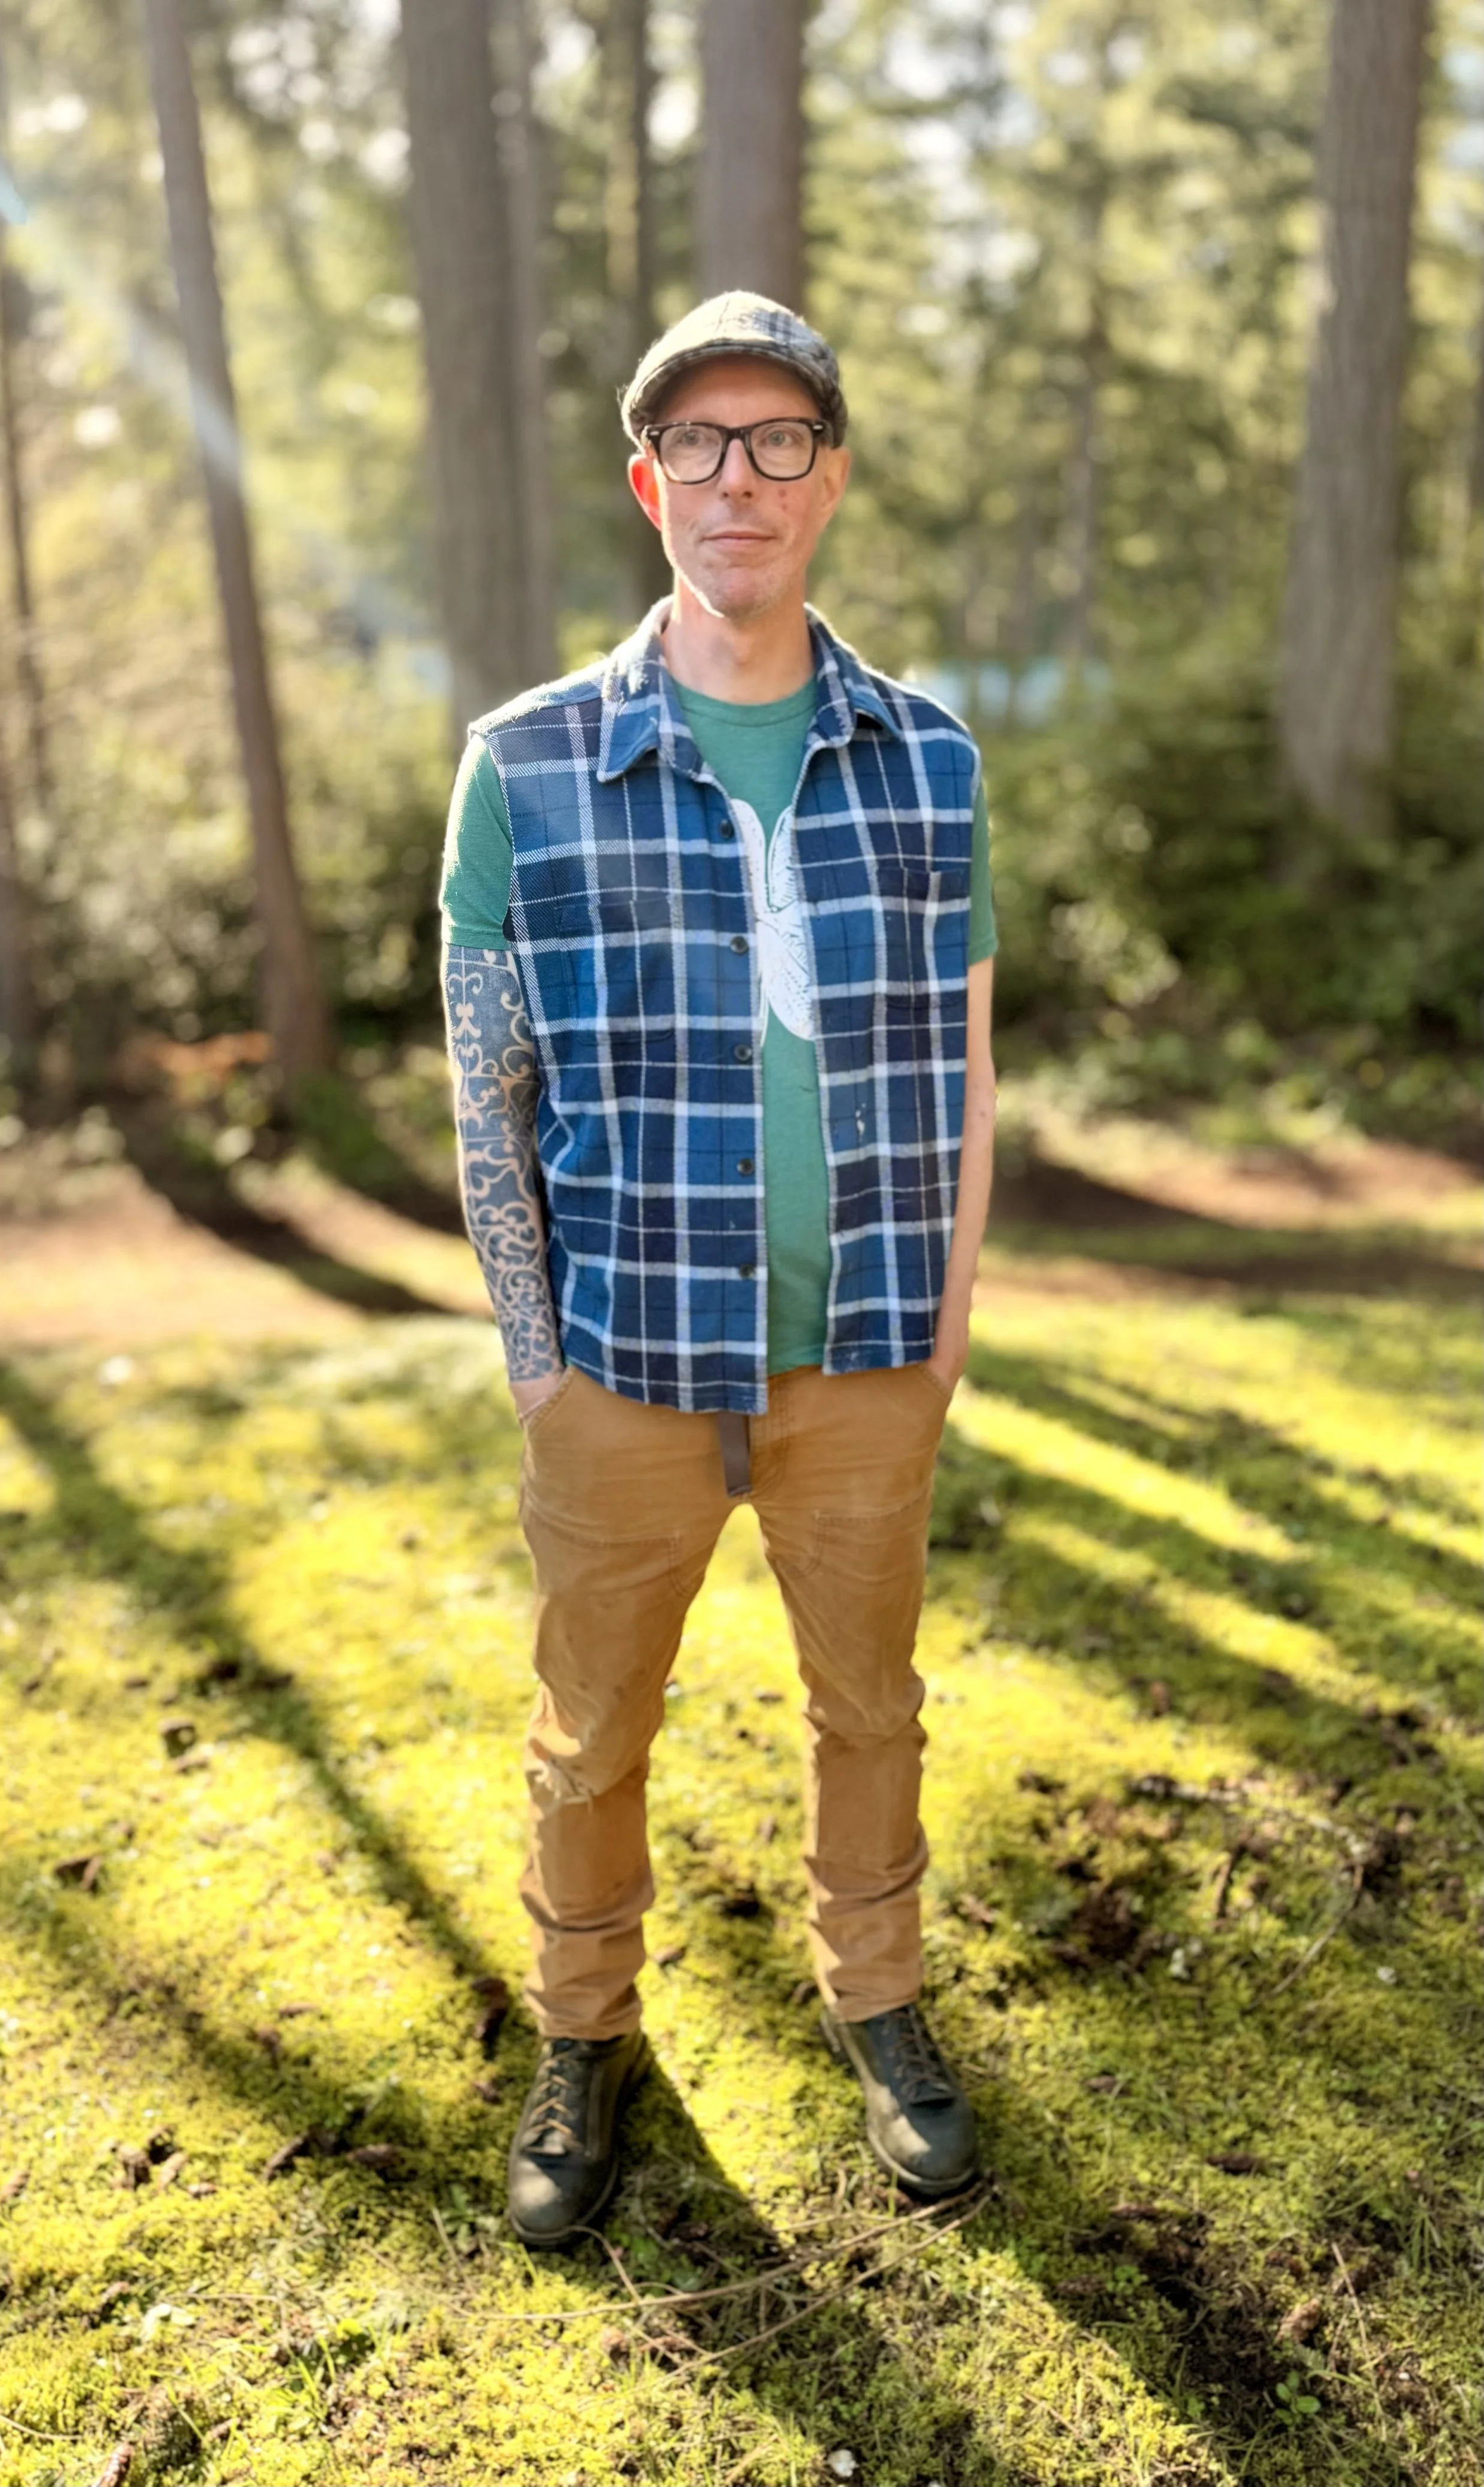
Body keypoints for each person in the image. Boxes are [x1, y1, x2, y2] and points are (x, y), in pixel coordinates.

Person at [441, 292, 997, 2249]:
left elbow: (968, 1060)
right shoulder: (523, 764)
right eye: (698, 443)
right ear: (646, 482)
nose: (736, 478)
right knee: (590, 1728)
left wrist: (943, 1330)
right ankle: (582, 2031)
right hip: (617, 1360)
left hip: (866, 1350)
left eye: (776, 441)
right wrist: (536, 1360)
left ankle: (879, 1998)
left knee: (873, 1707)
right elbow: (485, 1088)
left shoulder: (930, 760)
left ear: (827, 479)